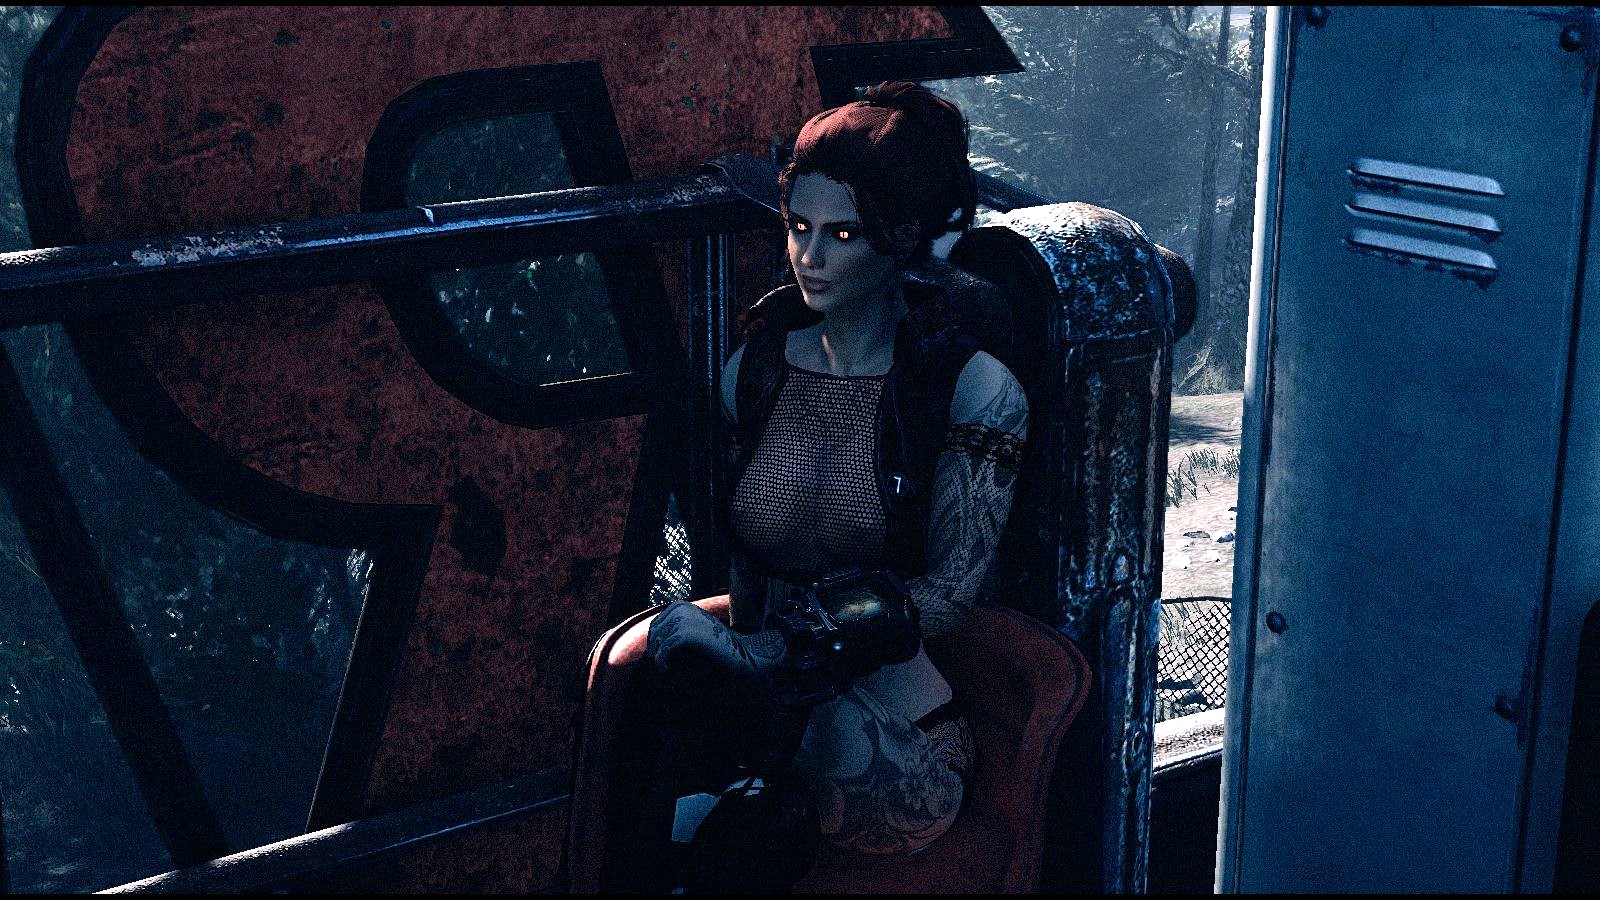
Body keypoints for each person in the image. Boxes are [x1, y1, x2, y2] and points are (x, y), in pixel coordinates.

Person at [643, 80, 1029, 887]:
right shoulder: (751, 372)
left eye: (842, 233)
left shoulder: (972, 390)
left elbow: (951, 590)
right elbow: (741, 556)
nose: (810, 257)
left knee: (813, 751)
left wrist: (772, 652)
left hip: (896, 732)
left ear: (900, 235)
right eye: (798, 227)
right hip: (762, 724)